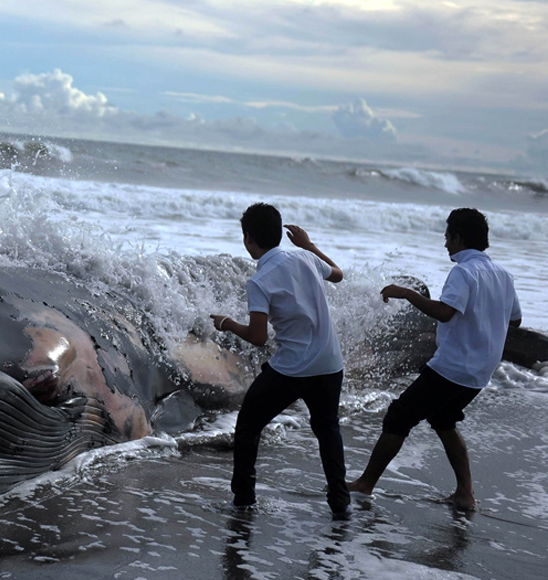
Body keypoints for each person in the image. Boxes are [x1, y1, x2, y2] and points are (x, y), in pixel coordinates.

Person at [347, 208, 521, 510]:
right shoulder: (503, 275)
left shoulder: (463, 272)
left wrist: (407, 293)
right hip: (481, 371)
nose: (445, 245)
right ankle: (465, 494)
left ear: (459, 237)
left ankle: (365, 483)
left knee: (398, 417)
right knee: (443, 420)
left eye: (447, 237)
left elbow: (444, 312)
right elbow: (515, 321)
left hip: (453, 367)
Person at [210, 203, 350, 519]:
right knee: (327, 429)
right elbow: (338, 275)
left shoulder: (259, 282)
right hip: (330, 363)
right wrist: (309, 245)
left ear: (248, 239)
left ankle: (243, 501)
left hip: (293, 368)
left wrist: (227, 323)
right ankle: (340, 504)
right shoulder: (306, 257)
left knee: (248, 425)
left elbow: (258, 337)